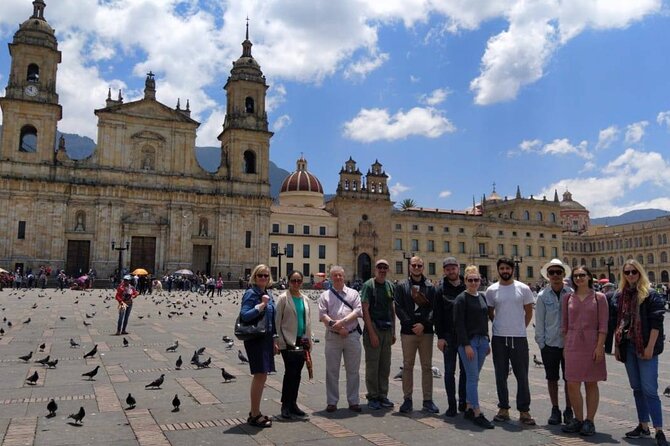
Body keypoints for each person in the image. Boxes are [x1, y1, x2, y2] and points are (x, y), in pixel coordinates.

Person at [615, 260, 667, 446]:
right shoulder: (620, 296)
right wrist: (616, 346)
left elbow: (656, 324)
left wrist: (650, 347)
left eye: (634, 272)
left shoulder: (650, 294)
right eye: (627, 272)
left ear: (640, 273)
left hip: (645, 346)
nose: (630, 275)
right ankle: (643, 426)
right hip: (628, 347)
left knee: (650, 390)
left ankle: (659, 430)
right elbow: (618, 322)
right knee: (637, 389)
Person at [486, 257, 536, 425]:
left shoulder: (523, 288)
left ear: (512, 270)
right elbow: (490, 312)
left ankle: (524, 411)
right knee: (500, 375)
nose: (505, 271)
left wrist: (520, 327)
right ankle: (503, 408)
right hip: (499, 338)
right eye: (502, 268)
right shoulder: (492, 290)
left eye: (508, 268)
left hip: (519, 338)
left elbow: (528, 312)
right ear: (498, 270)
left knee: (522, 375)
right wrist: (500, 325)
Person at [561, 265, 608, 436]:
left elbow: (603, 325)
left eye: (582, 275)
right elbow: (564, 325)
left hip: (592, 343)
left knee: (591, 382)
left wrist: (600, 346)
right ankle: (578, 419)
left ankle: (590, 420)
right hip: (573, 343)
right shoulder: (567, 298)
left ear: (589, 277)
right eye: (576, 276)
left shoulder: (599, 297)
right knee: (572, 383)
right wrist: (566, 346)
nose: (579, 278)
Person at [394, 256, 439, 414]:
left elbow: (434, 308)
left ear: (423, 267)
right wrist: (410, 324)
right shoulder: (401, 286)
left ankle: (428, 400)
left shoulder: (430, 286)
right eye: (414, 265)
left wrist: (424, 324)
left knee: (427, 367)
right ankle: (407, 399)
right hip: (408, 331)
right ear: (409, 267)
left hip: (425, 332)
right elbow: (398, 307)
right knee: (407, 366)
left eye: (420, 265)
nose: (417, 268)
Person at [318, 265, 363, 413]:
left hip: (352, 335)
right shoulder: (325, 295)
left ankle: (354, 400)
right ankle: (332, 401)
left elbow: (358, 310)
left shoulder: (354, 293)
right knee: (331, 370)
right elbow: (323, 315)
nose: (338, 278)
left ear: (344, 277)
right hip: (333, 336)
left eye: (340, 275)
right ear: (331, 277)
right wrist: (335, 325)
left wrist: (342, 323)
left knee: (353, 370)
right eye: (335, 275)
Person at [535, 259, 574, 425]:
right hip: (550, 344)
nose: (556, 275)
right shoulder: (542, 296)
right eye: (552, 273)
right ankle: (555, 409)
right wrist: (541, 344)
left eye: (559, 272)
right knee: (552, 378)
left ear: (564, 274)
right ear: (548, 276)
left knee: (570, 379)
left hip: (569, 345)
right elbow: (539, 322)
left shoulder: (572, 293)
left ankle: (569, 410)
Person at [454, 265, 494, 428]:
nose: (474, 283)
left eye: (476, 280)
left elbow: (484, 321)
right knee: (471, 377)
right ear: (465, 281)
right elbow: (459, 325)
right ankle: (477, 411)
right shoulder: (461, 299)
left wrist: (487, 341)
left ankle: (469, 406)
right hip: (468, 343)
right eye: (470, 280)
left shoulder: (482, 297)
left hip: (481, 342)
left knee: (474, 376)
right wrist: (466, 345)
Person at [240, 264, 277, 428]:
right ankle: (255, 414)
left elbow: (273, 318)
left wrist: (275, 339)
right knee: (260, 374)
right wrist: (260, 306)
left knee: (263, 375)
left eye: (266, 276)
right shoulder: (251, 293)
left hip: (267, 338)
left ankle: (254, 411)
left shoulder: (267, 293)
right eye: (260, 275)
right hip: (255, 338)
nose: (263, 278)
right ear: (254, 277)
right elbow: (244, 315)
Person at [275, 270, 312, 420]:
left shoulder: (305, 299)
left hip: (302, 341)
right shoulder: (283, 298)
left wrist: (309, 339)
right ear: (288, 281)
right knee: (290, 372)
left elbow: (307, 320)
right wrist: (278, 341)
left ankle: (293, 404)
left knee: (297, 373)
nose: (296, 283)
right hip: (288, 341)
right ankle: (285, 405)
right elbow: (277, 321)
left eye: (299, 281)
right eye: (293, 281)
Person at [360, 259, 396, 410]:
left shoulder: (389, 285)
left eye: (385, 268)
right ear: (375, 269)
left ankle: (383, 394)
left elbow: (392, 309)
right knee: (373, 365)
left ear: (388, 270)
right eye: (379, 267)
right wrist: (371, 333)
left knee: (385, 365)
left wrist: (393, 331)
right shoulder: (369, 285)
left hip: (386, 328)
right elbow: (365, 310)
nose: (382, 270)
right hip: (373, 327)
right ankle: (373, 396)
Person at [434, 256, 467, 417]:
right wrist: (440, 337)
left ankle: (463, 402)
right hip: (448, 336)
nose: (451, 271)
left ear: (458, 268)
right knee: (448, 372)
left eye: (453, 268)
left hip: (465, 336)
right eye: (448, 269)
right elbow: (437, 315)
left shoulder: (467, 286)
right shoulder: (440, 289)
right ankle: (451, 405)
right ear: (444, 271)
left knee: (465, 371)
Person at [602, 282, 617, 354]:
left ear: (607, 288)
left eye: (604, 288)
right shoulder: (617, 293)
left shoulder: (606, 295)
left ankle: (608, 349)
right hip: (618, 317)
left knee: (609, 335)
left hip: (609, 317)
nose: (603, 290)